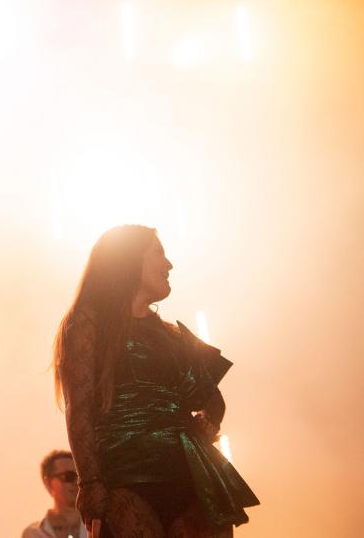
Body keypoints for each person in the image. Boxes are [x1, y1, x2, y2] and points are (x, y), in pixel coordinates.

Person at [52, 225, 258, 538]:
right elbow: (79, 407)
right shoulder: (86, 324)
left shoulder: (173, 335)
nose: (169, 264)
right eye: (159, 253)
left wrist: (207, 423)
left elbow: (213, 400)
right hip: (125, 480)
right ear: (128, 259)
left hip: (191, 478)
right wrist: (90, 482)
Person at [22, 450, 88, 538]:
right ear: (48, 482)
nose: (77, 482)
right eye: (68, 476)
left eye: (79, 477)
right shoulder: (33, 534)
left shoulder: (97, 528)